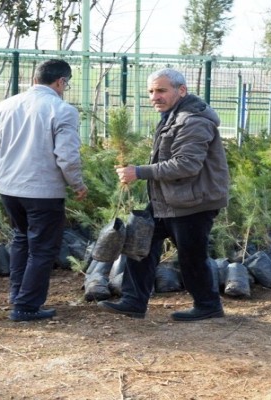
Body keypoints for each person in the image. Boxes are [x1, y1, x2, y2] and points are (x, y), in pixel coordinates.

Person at [97, 68, 229, 322]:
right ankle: (134, 301)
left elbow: (187, 165)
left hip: (193, 202)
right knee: (140, 244)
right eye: (151, 91)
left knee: (192, 257)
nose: (154, 97)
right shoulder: (173, 116)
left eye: (161, 90)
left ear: (181, 91)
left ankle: (208, 305)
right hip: (168, 200)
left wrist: (139, 172)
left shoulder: (193, 121)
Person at [0, 59, 88, 322]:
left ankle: (18, 295)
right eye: (66, 84)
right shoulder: (62, 110)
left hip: (9, 189)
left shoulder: (3, 106)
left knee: (21, 239)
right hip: (43, 191)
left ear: (35, 78)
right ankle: (27, 306)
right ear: (61, 82)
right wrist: (77, 184)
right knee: (41, 248)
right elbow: (67, 156)